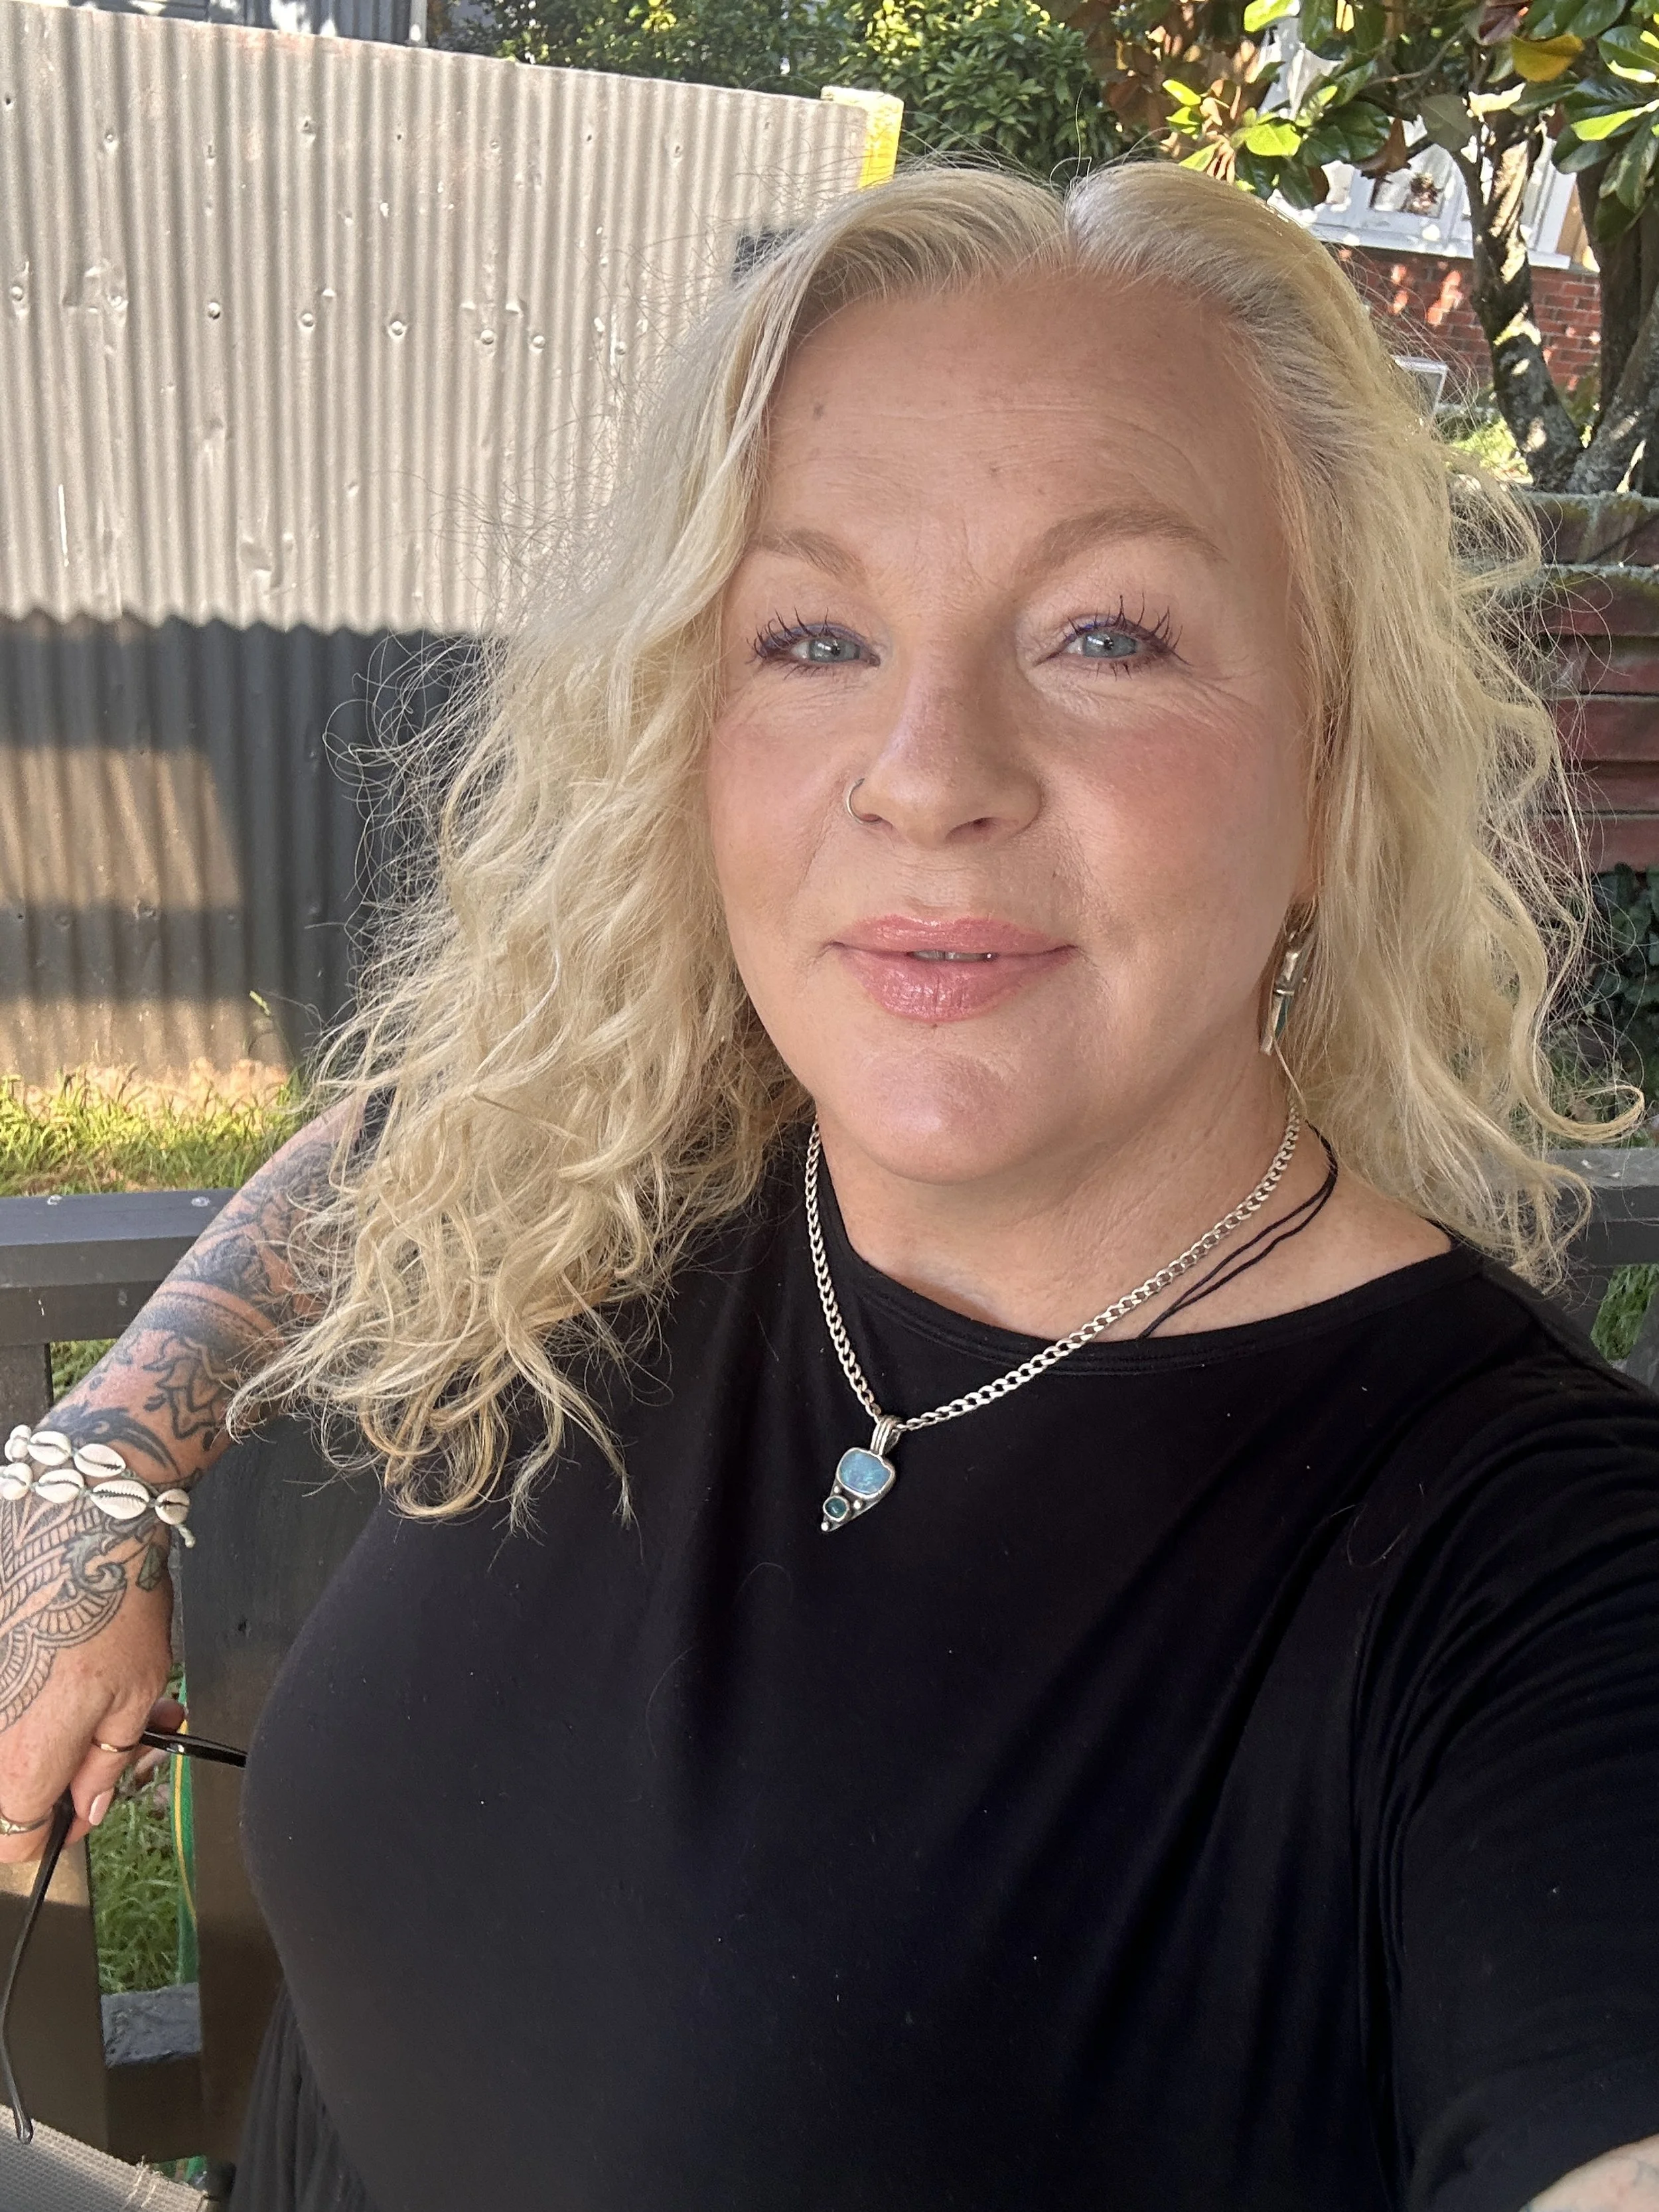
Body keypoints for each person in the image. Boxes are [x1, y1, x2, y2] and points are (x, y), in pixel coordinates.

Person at [2, 159, 1656, 2212]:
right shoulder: (655, 1165)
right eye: (812, 634)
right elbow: (392, 1135)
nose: (927, 765)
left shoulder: (1531, 1584)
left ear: (1330, 760)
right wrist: (97, 1468)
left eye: (1107, 630)